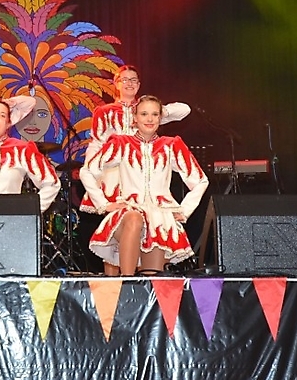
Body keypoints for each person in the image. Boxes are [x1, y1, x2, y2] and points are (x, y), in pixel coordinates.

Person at [80, 94, 209, 276]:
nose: (149, 119)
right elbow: (87, 171)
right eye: (144, 114)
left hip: (159, 219)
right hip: (129, 211)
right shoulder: (121, 143)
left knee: (152, 280)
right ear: (135, 117)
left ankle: (140, 289)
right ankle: (126, 280)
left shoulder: (171, 145)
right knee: (134, 218)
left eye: (155, 114)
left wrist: (185, 210)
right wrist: (103, 204)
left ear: (160, 118)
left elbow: (201, 180)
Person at [90, 65, 190, 144]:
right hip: (114, 161)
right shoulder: (105, 111)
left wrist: (157, 111)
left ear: (138, 85)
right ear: (116, 84)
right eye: (125, 80)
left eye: (133, 80)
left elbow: (185, 109)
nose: (130, 84)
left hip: (143, 159)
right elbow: (96, 144)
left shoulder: (146, 110)